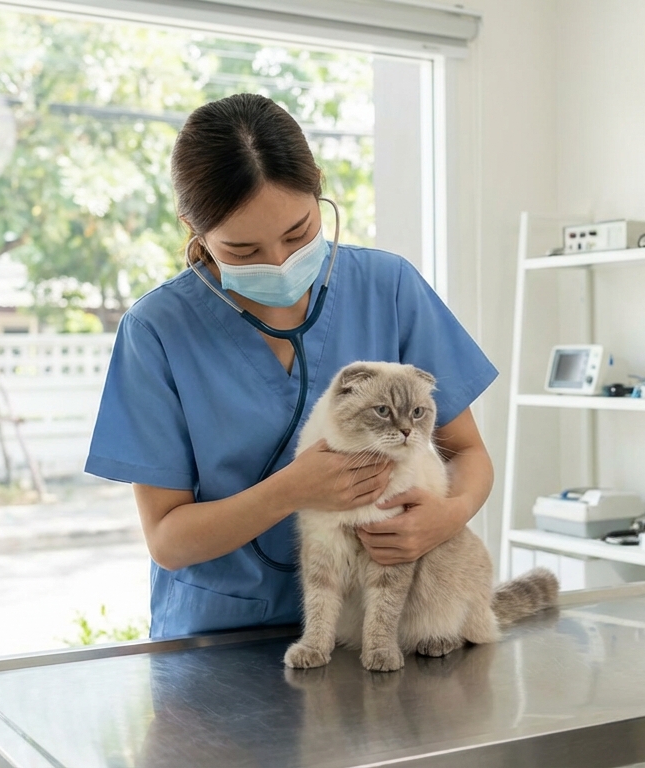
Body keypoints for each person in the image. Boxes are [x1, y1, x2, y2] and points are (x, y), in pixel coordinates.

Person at [84, 94, 498, 639]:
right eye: (243, 250)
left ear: (318, 188)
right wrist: (293, 489)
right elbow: (168, 540)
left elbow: (469, 453)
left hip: (380, 625)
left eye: (298, 233)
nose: (279, 262)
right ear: (194, 229)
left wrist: (448, 514)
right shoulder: (158, 330)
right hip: (220, 640)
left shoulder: (389, 288)